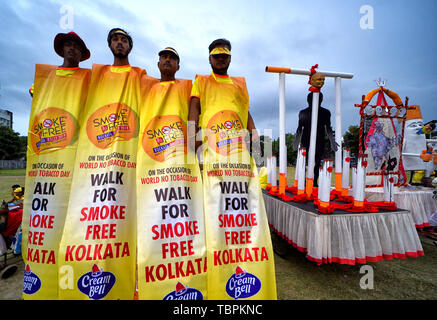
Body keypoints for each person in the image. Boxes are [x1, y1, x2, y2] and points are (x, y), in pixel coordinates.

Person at [188, 39, 277, 300]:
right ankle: (215, 265)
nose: (221, 59)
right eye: (216, 55)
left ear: (230, 58)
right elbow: (194, 111)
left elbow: (248, 117)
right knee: (214, 210)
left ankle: (241, 261)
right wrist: (193, 146)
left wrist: (260, 151)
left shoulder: (240, 83)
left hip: (239, 158)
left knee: (240, 210)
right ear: (210, 58)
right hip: (213, 155)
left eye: (225, 55)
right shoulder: (201, 80)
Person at [136, 47, 206, 299]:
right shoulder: (144, 85)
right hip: (150, 165)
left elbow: (200, 117)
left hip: (181, 166)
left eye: (172, 58)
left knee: (183, 217)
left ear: (178, 66)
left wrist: (197, 152)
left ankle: (186, 273)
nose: (167, 60)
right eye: (164, 57)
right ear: (157, 63)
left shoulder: (189, 86)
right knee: (154, 215)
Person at [292, 92, 338, 187]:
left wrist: (332, 141)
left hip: (319, 140)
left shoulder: (325, 113)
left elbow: (328, 128)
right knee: (304, 161)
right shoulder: (303, 113)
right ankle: (304, 181)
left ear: (320, 100)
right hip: (306, 140)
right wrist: (296, 141)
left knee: (317, 161)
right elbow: (300, 128)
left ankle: (314, 181)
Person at [29, 32, 90, 97]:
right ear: (62, 50)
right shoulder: (46, 75)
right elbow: (34, 92)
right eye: (68, 44)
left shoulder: (89, 78)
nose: (72, 48)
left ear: (82, 55)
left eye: (77, 47)